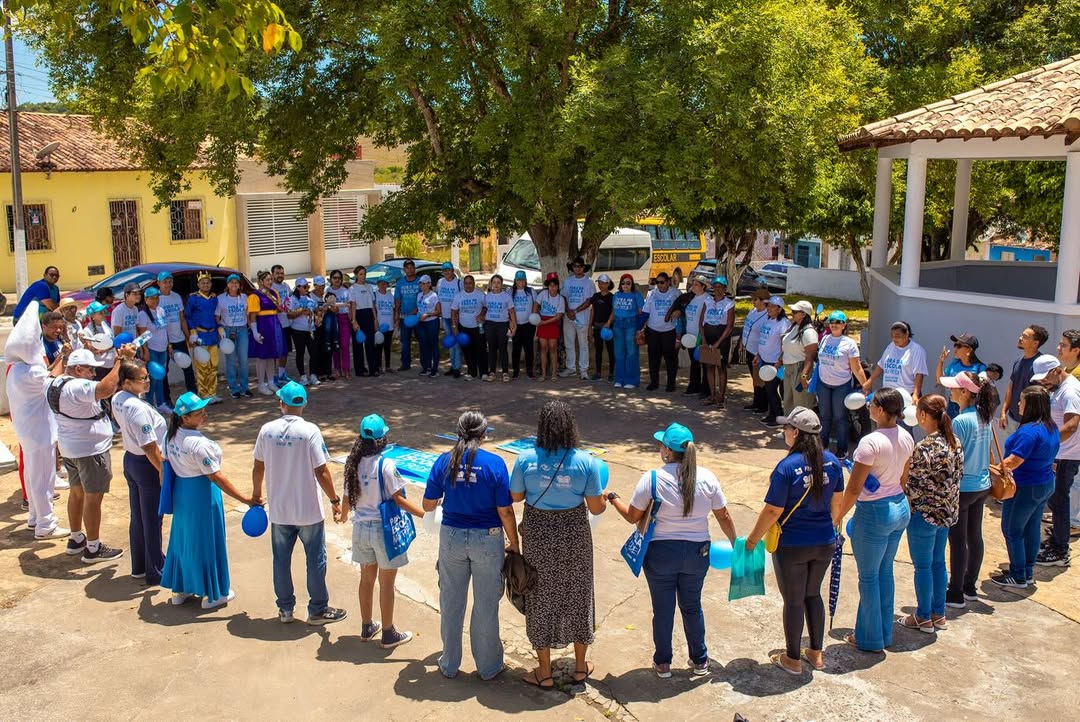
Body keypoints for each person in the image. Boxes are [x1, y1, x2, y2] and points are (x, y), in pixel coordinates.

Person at [609, 423, 736, 678]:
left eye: (661, 445)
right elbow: (723, 515)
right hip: (697, 553)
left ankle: (663, 663)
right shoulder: (708, 478)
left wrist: (613, 498)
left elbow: (633, 516)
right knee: (692, 606)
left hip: (660, 553)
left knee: (663, 609)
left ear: (667, 451)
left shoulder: (652, 479)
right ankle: (700, 660)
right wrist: (737, 542)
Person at [510, 400, 605, 688]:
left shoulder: (525, 459)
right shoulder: (586, 461)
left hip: (538, 532)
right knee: (578, 592)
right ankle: (579, 668)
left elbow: (515, 497)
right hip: (574, 532)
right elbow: (597, 508)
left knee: (539, 596)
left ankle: (544, 672)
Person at [744, 407, 842, 674]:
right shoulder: (833, 462)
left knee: (794, 600)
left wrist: (753, 540)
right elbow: (837, 504)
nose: (784, 432)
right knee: (813, 594)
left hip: (792, 545)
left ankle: (792, 659)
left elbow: (773, 510)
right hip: (824, 541)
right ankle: (816, 653)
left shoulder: (787, 467)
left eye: (786, 428)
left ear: (796, 432)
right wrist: (824, 527)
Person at [423, 411, 519, 680]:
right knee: (486, 605)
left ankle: (450, 663)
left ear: (458, 432)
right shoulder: (494, 463)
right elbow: (505, 510)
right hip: (487, 539)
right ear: (485, 434)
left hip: (452, 537)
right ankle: (488, 667)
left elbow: (427, 503)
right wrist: (514, 541)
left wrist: (444, 502)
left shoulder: (444, 461)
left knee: (451, 602)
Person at [251, 381, 347, 624]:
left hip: (280, 510)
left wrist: (255, 494)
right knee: (315, 560)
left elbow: (258, 466)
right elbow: (322, 470)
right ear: (304, 404)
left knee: (281, 561)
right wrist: (335, 500)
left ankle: (285, 609)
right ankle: (317, 609)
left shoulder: (267, 430)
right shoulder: (310, 431)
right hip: (309, 511)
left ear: (281, 403)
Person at [833, 388, 914, 652]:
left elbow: (854, 488)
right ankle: (883, 632)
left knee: (868, 578)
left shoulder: (869, 443)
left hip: (874, 514)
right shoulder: (906, 436)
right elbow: (903, 478)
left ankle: (868, 638)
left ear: (880, 410)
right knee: (884, 572)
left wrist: (837, 516)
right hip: (899, 507)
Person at [161, 392, 255, 608]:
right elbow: (216, 476)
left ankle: (181, 588)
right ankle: (214, 593)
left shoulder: (170, 437)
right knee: (208, 541)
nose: (205, 415)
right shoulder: (199, 444)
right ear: (185, 418)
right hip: (202, 494)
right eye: (199, 413)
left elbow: (164, 465)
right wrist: (245, 499)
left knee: (184, 541)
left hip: (182, 493)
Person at [341, 414, 425, 648]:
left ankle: (367, 626)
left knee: (366, 580)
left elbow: (347, 498)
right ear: (382, 439)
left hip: (361, 530)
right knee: (386, 584)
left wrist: (343, 515)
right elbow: (399, 499)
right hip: (383, 532)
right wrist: (424, 515)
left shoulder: (352, 464)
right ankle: (388, 633)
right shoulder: (386, 465)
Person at [51, 344, 137, 562]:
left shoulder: (55, 381)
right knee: (93, 497)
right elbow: (106, 389)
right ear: (78, 369)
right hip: (90, 451)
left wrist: (64, 355)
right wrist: (121, 360)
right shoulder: (78, 387)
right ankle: (93, 547)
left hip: (71, 449)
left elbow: (53, 371)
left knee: (77, 492)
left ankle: (76, 538)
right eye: (90, 370)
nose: (94, 374)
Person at [899, 395, 962, 633]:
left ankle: (923, 616)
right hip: (945, 514)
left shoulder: (925, 447)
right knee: (938, 563)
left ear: (924, 415)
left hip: (924, 515)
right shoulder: (954, 442)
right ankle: (939, 613)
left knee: (923, 566)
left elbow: (911, 485)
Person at [5, 304, 66, 539]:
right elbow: (54, 378)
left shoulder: (16, 368)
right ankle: (45, 523)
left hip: (29, 433)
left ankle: (34, 517)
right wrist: (63, 355)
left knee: (33, 478)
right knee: (43, 481)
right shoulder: (31, 373)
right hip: (39, 434)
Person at [992, 385, 1059, 588]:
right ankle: (1027, 571)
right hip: (1044, 483)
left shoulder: (1029, 432)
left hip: (1025, 487)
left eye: (1022, 401)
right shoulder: (1050, 427)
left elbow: (1013, 461)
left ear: (1030, 405)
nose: (1018, 404)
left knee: (1012, 529)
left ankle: (1018, 574)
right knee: (1031, 529)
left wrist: (992, 469)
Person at [942, 371, 997, 607]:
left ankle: (955, 593)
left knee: (958, 540)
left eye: (954, 387)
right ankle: (969, 586)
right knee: (975, 537)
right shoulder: (984, 417)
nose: (950, 390)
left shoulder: (961, 421)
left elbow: (953, 457)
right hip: (982, 485)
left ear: (965, 392)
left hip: (963, 488)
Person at [113, 360, 166, 585]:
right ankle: (155, 570)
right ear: (127, 383)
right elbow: (150, 446)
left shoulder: (119, 398)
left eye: (146, 377)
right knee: (153, 519)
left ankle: (140, 565)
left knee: (139, 517)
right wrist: (162, 471)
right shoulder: (138, 409)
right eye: (142, 379)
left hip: (131, 460)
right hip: (147, 465)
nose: (147, 381)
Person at [1032, 354, 1080, 567]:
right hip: (1059, 453)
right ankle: (1056, 539)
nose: (1043, 382)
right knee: (1055, 499)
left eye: (1045, 378)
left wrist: (1047, 443)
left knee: (1060, 500)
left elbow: (1071, 426)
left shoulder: (1070, 391)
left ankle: (1060, 549)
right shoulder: (1059, 387)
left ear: (1055, 370)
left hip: (1067, 455)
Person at [815, 311, 867, 458]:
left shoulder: (849, 344)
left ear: (844, 325)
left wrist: (865, 385)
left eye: (838, 322)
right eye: (831, 321)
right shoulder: (825, 339)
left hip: (841, 385)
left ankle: (842, 448)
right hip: (823, 383)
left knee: (840, 418)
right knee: (824, 416)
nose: (834, 324)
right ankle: (822, 445)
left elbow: (856, 368)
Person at [999, 325, 1049, 435]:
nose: (1020, 338)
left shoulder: (1040, 365)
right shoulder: (1018, 361)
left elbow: (1041, 396)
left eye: (1025, 337)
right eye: (1021, 335)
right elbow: (1011, 387)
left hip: (1028, 424)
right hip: (1012, 419)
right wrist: (1003, 412)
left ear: (1036, 343)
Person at [863, 321, 928, 404]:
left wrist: (915, 394)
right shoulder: (891, 346)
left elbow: (919, 374)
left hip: (906, 395)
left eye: (897, 336)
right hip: (888, 393)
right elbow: (881, 365)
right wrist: (870, 381)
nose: (894, 339)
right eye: (892, 336)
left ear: (906, 334)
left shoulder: (916, 350)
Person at [156, 271, 195, 399]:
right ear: (159, 283)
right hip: (164, 342)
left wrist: (188, 336)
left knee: (188, 367)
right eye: (164, 282)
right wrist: (167, 343)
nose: (168, 284)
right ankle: (166, 399)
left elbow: (182, 318)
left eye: (170, 282)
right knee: (164, 370)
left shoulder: (176, 296)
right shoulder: (156, 299)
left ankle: (193, 394)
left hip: (179, 338)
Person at [184, 271, 222, 402]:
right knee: (202, 367)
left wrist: (220, 329)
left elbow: (217, 316)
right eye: (202, 283)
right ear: (198, 284)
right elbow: (187, 316)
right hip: (200, 335)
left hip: (212, 335)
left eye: (207, 283)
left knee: (214, 365)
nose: (205, 285)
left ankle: (212, 392)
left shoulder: (214, 298)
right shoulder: (193, 298)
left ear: (211, 284)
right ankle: (204, 393)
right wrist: (192, 331)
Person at [639, 272, 680, 392]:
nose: (660, 285)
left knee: (670, 359)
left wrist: (679, 312)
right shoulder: (652, 294)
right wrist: (638, 328)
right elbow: (645, 313)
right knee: (653, 358)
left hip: (669, 331)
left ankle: (671, 384)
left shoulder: (675, 293)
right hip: (653, 331)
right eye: (657, 283)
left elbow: (682, 308)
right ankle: (654, 382)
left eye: (662, 282)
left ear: (668, 282)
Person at [248, 270, 287, 395]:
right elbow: (252, 315)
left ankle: (270, 381)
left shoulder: (274, 293)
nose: (270, 282)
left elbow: (279, 309)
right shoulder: (255, 296)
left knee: (271, 356)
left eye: (271, 279)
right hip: (263, 325)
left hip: (274, 324)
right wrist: (255, 331)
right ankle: (261, 384)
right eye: (267, 280)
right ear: (260, 282)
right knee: (262, 357)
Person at [559, 256, 596, 379]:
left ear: (583, 268)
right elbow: (563, 297)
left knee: (583, 344)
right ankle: (571, 368)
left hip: (582, 317)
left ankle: (584, 370)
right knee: (569, 343)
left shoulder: (589, 282)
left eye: (580, 266)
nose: (577, 268)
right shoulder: (568, 281)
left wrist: (575, 311)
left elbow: (589, 300)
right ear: (572, 268)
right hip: (568, 317)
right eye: (575, 266)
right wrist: (568, 310)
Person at [755, 297, 791, 427]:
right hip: (765, 360)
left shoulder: (783, 323)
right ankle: (772, 414)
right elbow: (763, 339)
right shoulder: (768, 320)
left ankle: (778, 416)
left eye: (772, 306)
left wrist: (779, 360)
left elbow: (785, 344)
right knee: (768, 389)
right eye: (768, 305)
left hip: (775, 363)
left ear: (780, 309)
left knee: (772, 390)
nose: (769, 308)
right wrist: (758, 354)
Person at [672, 276, 710, 398]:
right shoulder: (691, 298)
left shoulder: (707, 299)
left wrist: (702, 336)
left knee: (704, 363)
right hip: (690, 335)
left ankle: (705, 389)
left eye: (696, 284)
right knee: (694, 363)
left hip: (700, 336)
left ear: (703, 286)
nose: (693, 286)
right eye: (692, 283)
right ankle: (694, 386)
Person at [215, 274, 251, 398]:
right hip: (228, 330)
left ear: (239, 285)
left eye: (236, 282)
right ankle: (233, 387)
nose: (234, 284)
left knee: (243, 359)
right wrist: (220, 329)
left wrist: (252, 328)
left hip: (242, 329)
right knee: (230, 360)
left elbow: (248, 314)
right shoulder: (221, 298)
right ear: (227, 284)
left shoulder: (244, 297)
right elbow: (217, 316)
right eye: (231, 282)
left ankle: (245, 387)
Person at [701, 277, 735, 407]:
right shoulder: (707, 301)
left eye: (721, 287)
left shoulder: (729, 304)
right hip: (708, 336)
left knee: (721, 367)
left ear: (725, 289)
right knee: (709, 367)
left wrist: (718, 343)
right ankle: (712, 395)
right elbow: (701, 321)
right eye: (716, 287)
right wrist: (703, 339)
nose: (718, 289)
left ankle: (721, 396)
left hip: (721, 339)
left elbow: (729, 326)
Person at [935, 333, 986, 417]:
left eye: (959, 346)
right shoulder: (954, 364)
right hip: (952, 408)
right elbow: (939, 380)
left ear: (969, 350)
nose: (955, 348)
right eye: (955, 345)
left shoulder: (980, 368)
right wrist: (941, 361)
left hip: (970, 410)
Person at [781, 300, 819, 414]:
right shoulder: (795, 327)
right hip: (788, 367)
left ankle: (801, 429)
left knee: (800, 401)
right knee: (788, 400)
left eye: (795, 312)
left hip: (799, 368)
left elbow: (810, 356)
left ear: (803, 314)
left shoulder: (808, 332)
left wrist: (804, 375)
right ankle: (789, 428)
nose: (792, 313)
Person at [138, 288, 172, 411]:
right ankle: (150, 404)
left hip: (163, 348)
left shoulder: (161, 311)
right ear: (146, 300)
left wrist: (168, 345)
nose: (155, 300)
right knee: (152, 378)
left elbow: (165, 330)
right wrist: (145, 350)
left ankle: (161, 402)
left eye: (157, 297)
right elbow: (142, 334)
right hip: (152, 349)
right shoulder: (143, 314)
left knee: (160, 377)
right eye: (152, 298)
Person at [738, 289, 771, 413]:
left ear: (763, 301)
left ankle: (763, 404)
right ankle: (756, 401)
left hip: (759, 353)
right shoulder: (752, 312)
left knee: (760, 379)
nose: (753, 302)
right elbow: (746, 327)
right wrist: (742, 342)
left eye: (755, 299)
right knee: (754, 378)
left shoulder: (766, 316)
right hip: (749, 349)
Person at [451, 275, 488, 380]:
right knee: (468, 351)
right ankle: (472, 372)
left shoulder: (480, 294)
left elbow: (486, 307)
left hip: (478, 327)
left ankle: (484, 372)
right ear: (463, 284)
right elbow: (454, 311)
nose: (468, 285)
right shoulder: (459, 296)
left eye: (470, 283)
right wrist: (454, 326)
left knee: (481, 350)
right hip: (464, 327)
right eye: (466, 283)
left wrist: (481, 314)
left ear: (474, 283)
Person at [611, 274, 644, 389]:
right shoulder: (616, 295)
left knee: (631, 353)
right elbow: (613, 311)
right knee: (619, 353)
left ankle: (632, 380)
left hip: (631, 324)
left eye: (628, 283)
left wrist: (639, 329)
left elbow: (641, 312)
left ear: (632, 284)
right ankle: (619, 379)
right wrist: (608, 324)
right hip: (618, 325)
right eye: (623, 283)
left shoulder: (637, 295)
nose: (625, 285)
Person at [285, 279, 319, 387]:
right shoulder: (292, 299)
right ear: (298, 287)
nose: (306, 289)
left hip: (310, 329)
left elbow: (317, 311)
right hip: (298, 330)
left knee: (313, 353)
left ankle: (313, 375)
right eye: (304, 287)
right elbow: (289, 314)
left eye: (307, 287)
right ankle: (303, 376)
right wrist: (301, 312)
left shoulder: (310, 299)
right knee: (300, 353)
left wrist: (318, 316)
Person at [534, 273, 565, 382]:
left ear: (557, 286)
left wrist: (544, 322)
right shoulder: (543, 294)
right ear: (548, 286)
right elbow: (536, 304)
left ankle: (554, 374)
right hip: (542, 321)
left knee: (552, 347)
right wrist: (535, 316)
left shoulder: (560, 299)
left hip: (551, 323)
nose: (552, 287)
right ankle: (543, 374)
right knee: (543, 348)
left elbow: (558, 316)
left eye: (555, 285)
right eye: (550, 285)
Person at [482, 274, 513, 382]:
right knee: (491, 348)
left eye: (498, 283)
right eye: (494, 282)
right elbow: (485, 308)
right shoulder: (487, 296)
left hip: (502, 324)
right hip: (490, 324)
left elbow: (511, 311)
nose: (496, 285)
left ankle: (505, 372)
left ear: (501, 284)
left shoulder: (506, 297)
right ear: (491, 284)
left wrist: (513, 324)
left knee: (503, 348)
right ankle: (492, 372)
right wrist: (481, 316)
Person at [349, 265, 378, 377]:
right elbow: (353, 305)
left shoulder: (369, 287)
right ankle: (360, 369)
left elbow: (372, 305)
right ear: (356, 275)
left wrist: (375, 319)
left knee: (371, 343)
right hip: (358, 315)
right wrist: (354, 321)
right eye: (361, 274)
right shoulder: (352, 289)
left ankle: (373, 368)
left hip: (368, 315)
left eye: (364, 274)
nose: (363, 276)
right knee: (358, 344)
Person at [437, 262, 464, 377]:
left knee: (456, 342)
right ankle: (453, 366)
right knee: (451, 342)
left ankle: (457, 368)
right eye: (444, 270)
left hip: (455, 318)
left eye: (449, 270)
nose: (447, 272)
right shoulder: (440, 282)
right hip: (445, 317)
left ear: (453, 271)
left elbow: (463, 298)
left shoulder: (459, 283)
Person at [394, 259, 422, 371]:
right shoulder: (400, 282)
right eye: (407, 268)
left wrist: (417, 309)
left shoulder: (420, 281)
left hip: (418, 317)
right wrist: (396, 313)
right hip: (404, 317)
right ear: (404, 270)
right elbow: (397, 299)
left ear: (414, 268)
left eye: (411, 267)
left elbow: (425, 296)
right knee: (405, 342)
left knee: (422, 340)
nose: (410, 270)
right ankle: (405, 364)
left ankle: (425, 363)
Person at [326, 271, 353, 379]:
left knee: (345, 345)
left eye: (339, 278)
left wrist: (352, 319)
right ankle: (337, 369)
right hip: (333, 319)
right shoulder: (328, 290)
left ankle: (346, 369)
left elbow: (350, 305)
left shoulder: (346, 291)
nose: (337, 280)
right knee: (335, 345)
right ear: (331, 279)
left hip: (344, 319)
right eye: (334, 278)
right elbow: (326, 305)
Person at [588, 274, 615, 382]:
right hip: (597, 326)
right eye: (599, 283)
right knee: (598, 350)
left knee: (610, 350)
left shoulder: (612, 297)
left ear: (608, 284)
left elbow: (614, 311)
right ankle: (598, 372)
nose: (601, 285)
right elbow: (592, 310)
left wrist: (608, 322)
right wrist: (590, 325)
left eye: (603, 283)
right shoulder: (595, 296)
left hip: (608, 327)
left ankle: (611, 373)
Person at [510, 271, 537, 380]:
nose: (520, 282)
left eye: (522, 280)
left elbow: (536, 304)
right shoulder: (510, 292)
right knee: (516, 349)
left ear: (525, 281)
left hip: (528, 325)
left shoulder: (531, 291)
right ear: (515, 281)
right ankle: (515, 372)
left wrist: (534, 318)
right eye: (518, 280)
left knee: (528, 349)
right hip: (516, 325)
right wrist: (511, 322)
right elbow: (508, 307)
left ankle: (530, 371)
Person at [416, 275, 443, 378]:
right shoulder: (419, 295)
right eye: (420, 283)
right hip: (421, 323)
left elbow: (438, 311)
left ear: (429, 284)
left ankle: (434, 369)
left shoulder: (434, 296)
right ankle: (426, 367)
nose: (421, 285)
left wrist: (428, 315)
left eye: (423, 283)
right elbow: (418, 308)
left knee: (433, 345)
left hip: (431, 323)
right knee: (423, 345)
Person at [270, 264, 293, 387]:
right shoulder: (270, 288)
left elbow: (290, 301)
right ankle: (273, 376)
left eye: (282, 273)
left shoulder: (286, 286)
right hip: (274, 324)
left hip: (286, 323)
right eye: (277, 273)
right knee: (275, 352)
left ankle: (281, 374)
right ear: (272, 274)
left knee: (285, 350)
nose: (280, 275)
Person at [310, 275, 332, 382]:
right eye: (319, 287)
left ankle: (326, 372)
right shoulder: (310, 296)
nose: (321, 289)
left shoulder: (325, 296)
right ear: (314, 286)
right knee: (315, 350)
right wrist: (320, 309)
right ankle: (315, 372)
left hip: (325, 325)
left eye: (323, 286)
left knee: (326, 348)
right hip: (314, 326)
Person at [373, 278, 396, 375]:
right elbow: (373, 309)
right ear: (378, 284)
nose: (383, 285)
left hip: (389, 325)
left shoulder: (390, 295)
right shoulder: (375, 295)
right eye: (381, 283)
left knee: (387, 347)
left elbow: (394, 309)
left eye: (385, 284)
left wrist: (395, 320)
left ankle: (387, 366)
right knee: (379, 347)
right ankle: (378, 366)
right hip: (380, 325)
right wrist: (375, 322)